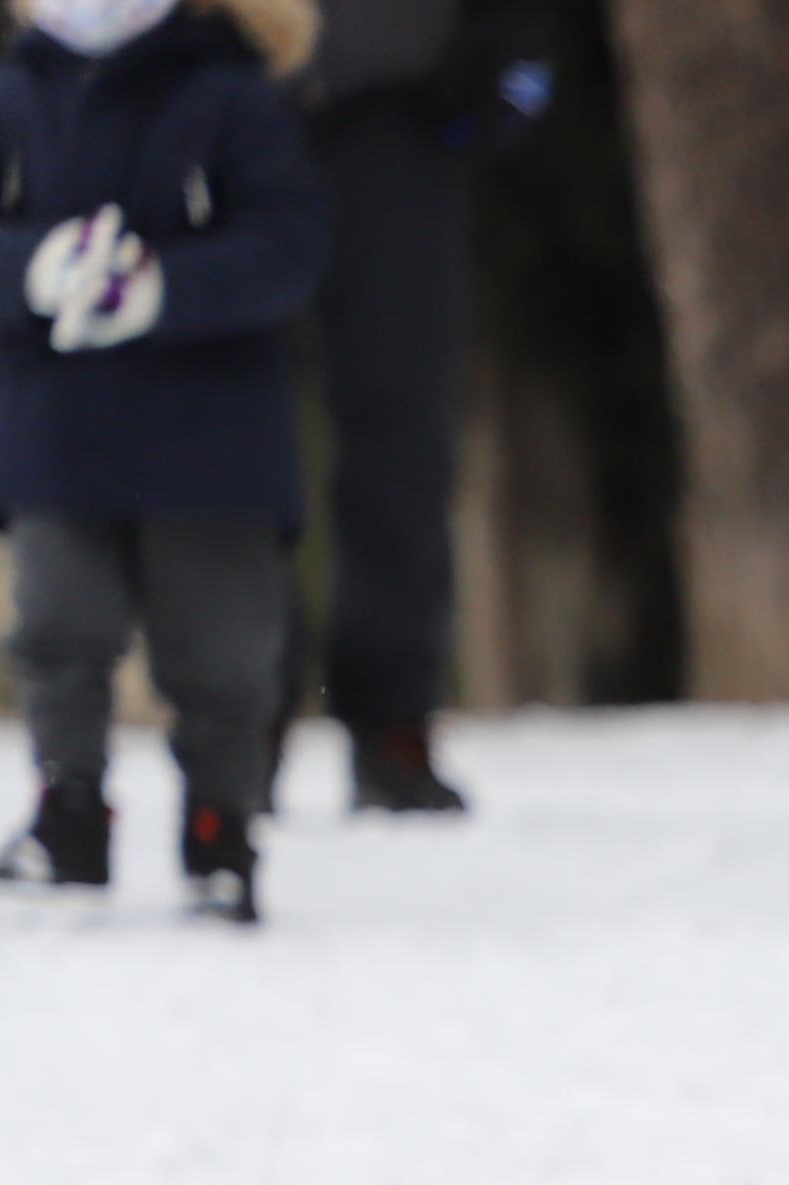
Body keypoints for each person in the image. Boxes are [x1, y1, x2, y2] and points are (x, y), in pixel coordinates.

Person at [0, 0, 326, 926]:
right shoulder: (2, 102)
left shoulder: (236, 98)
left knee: (220, 647)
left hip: (210, 433)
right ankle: (68, 809)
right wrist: (34, 271)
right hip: (51, 418)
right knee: (56, 621)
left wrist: (167, 288)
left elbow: (288, 246)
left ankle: (220, 826)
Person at [286, 0, 550, 816]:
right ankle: (242, 710)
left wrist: (508, 47)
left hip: (399, 113)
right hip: (232, 102)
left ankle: (393, 715)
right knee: (232, 425)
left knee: (403, 429)